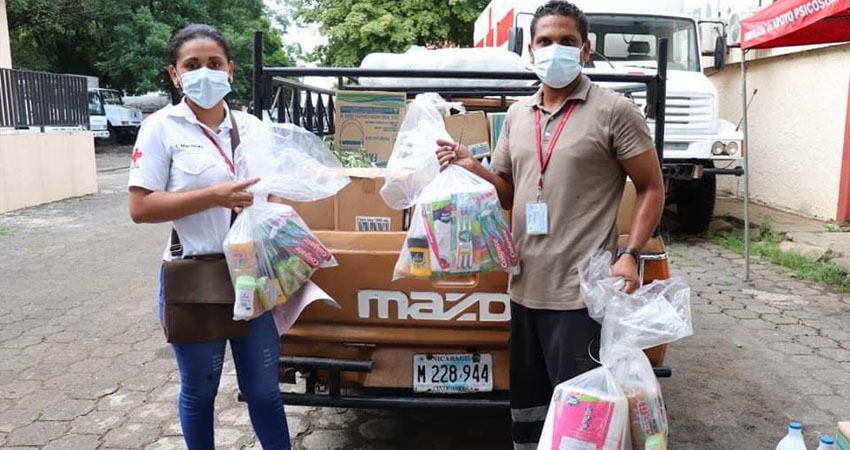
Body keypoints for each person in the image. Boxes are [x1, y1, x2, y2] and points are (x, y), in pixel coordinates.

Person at [436, 2, 665, 448]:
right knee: (528, 412)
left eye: (567, 41)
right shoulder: (519, 115)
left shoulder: (614, 111)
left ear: (586, 49)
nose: (555, 49)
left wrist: (630, 255)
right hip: (524, 288)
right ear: (529, 48)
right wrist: (472, 167)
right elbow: (507, 191)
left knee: (581, 420)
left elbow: (652, 187)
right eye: (545, 41)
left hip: (579, 298)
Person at [128, 24, 291, 450]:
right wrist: (214, 196)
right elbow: (140, 208)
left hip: (255, 276)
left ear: (231, 70)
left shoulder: (255, 128)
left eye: (214, 64)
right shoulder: (162, 128)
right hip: (198, 278)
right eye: (192, 65)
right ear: (175, 74)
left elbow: (270, 197)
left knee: (265, 392)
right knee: (200, 393)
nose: (205, 72)